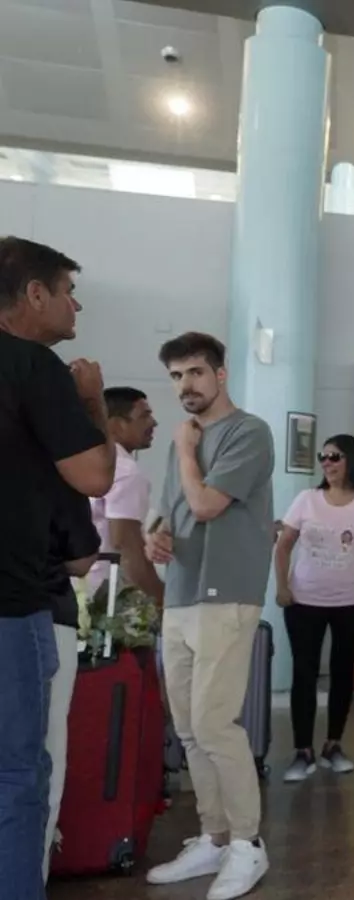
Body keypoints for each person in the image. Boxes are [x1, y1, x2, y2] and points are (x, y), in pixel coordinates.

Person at [0, 236, 115, 900]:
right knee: (18, 776)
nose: (76, 306)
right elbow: (95, 475)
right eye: (69, 291)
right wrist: (92, 402)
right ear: (35, 293)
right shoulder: (33, 367)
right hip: (11, 601)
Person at [141, 332, 274, 899]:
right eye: (176, 376)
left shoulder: (248, 432)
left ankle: (247, 843)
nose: (185, 385)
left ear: (220, 374)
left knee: (216, 724)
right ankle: (214, 836)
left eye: (195, 372)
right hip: (182, 593)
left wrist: (186, 452)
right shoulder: (184, 440)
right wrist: (154, 537)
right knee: (190, 728)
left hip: (227, 595)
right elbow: (167, 512)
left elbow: (205, 504)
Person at [274, 435, 354, 782]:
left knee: (343, 673)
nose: (327, 463)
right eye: (324, 456)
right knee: (304, 673)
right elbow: (283, 545)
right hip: (304, 601)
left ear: (353, 460)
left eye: (335, 456)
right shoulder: (307, 499)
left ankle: (333, 744)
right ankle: (302, 750)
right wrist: (282, 586)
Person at [43, 479, 101, 882]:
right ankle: (30, 877)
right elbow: (81, 559)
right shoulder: (57, 471)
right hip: (44, 610)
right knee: (45, 752)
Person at [89, 387, 163, 602]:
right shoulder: (125, 471)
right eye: (144, 416)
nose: (154, 423)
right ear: (115, 425)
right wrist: (160, 598)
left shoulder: (83, 464)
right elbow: (126, 546)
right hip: (103, 597)